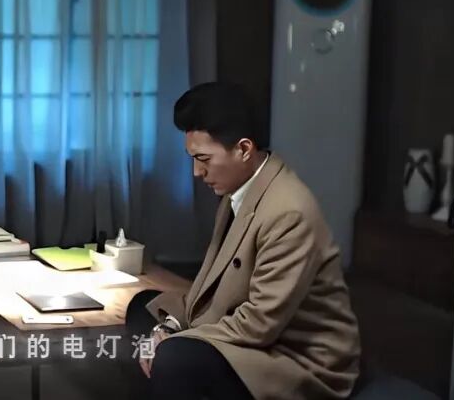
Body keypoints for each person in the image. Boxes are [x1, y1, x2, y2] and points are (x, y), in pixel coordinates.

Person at [130, 81, 361, 399]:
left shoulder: (288, 212)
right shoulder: (238, 190)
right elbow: (210, 284)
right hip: (251, 333)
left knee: (174, 357)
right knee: (142, 308)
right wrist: (167, 326)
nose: (197, 172)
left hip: (293, 356)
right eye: (192, 158)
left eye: (204, 159)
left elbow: (260, 324)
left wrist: (174, 338)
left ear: (243, 149)